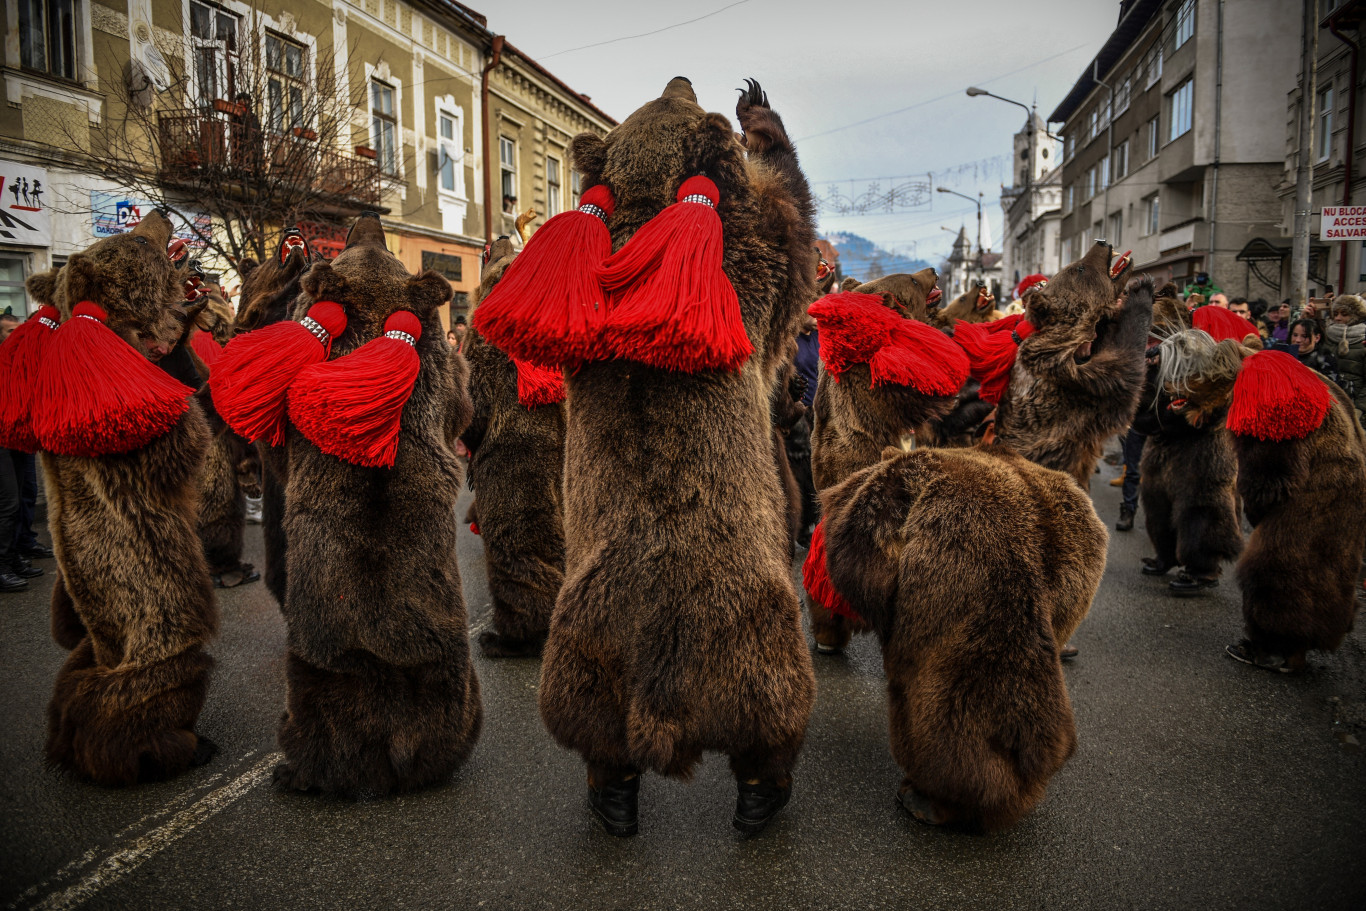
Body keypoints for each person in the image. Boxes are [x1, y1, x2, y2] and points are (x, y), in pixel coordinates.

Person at [1326, 294, 1366, 418]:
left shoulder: (1363, 340)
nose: (1338, 318)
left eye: (1344, 314)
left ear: (1356, 316)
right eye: (1336, 313)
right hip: (1329, 402)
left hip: (1354, 405)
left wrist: (1360, 408)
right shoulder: (1327, 335)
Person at [1282, 318, 1339, 383]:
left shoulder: (1325, 358)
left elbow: (1331, 387)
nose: (1298, 340)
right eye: (1295, 335)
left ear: (1317, 338)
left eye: (1304, 336)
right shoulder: (1285, 355)